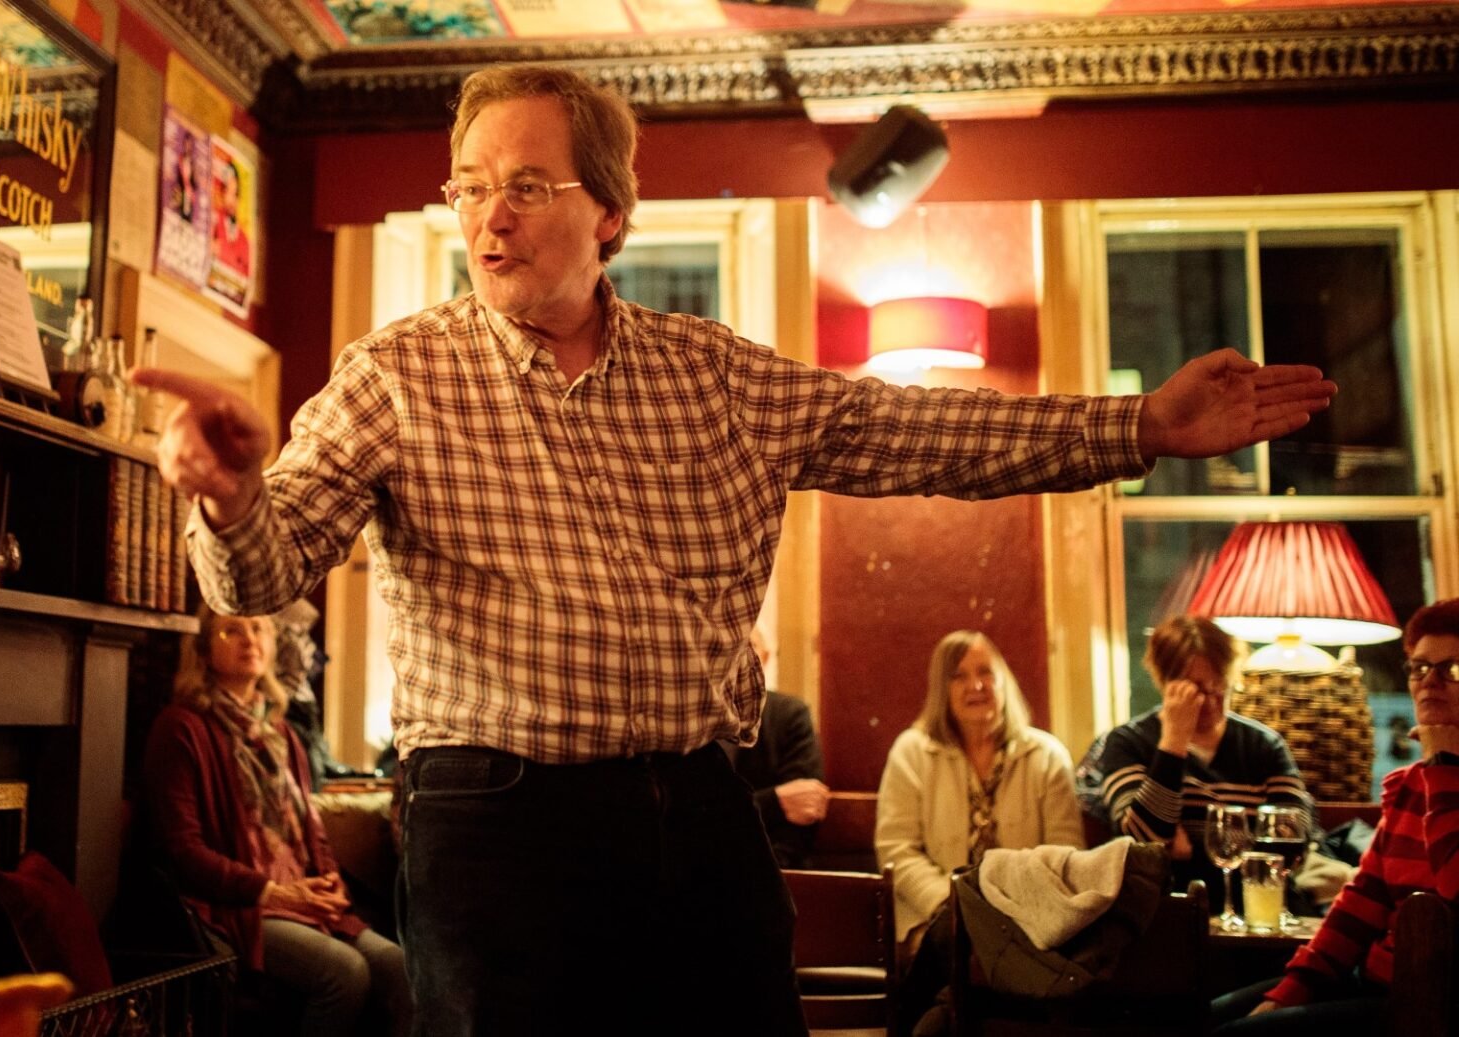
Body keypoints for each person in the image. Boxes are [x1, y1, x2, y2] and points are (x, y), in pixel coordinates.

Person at [130, 64, 1334, 1035]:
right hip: (492, 819)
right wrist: (233, 495)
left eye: (530, 184)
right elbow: (266, 569)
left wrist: (1140, 424)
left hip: (701, 807)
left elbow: (914, 432)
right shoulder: (394, 375)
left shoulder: (711, 374)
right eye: (470, 185)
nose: (488, 215)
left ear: (609, 212)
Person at [140, 607, 409, 1036]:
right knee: (346, 973)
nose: (250, 639)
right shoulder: (180, 728)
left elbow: (311, 830)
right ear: (205, 651)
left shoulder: (282, 732)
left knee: (399, 967)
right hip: (238, 904)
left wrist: (330, 879)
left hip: (298, 897)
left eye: (259, 628)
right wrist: (275, 893)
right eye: (232, 631)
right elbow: (183, 850)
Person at [1208, 597, 1459, 1034]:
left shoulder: (1434, 778)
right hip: (1372, 979)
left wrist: (1444, 768)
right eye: (1419, 668)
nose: (1428, 682)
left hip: (1430, 1005)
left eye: (1452, 669)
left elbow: (1455, 886)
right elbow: (1360, 904)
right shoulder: (1410, 786)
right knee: (1204, 1017)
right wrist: (1292, 990)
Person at [876, 630, 1085, 952]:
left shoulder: (1047, 756)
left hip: (1029, 921)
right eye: (959, 676)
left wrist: (1016, 910)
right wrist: (951, 904)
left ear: (1005, 681)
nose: (976, 686)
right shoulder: (911, 753)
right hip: (937, 918)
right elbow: (897, 850)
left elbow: (1066, 853)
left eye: (986, 672)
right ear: (941, 690)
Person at [1097, 615, 1312, 894]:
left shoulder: (1264, 745)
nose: (1212, 700)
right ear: (1165, 681)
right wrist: (1174, 741)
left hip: (1258, 900)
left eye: (1220, 684)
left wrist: (1199, 853)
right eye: (1196, 688)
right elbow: (1143, 842)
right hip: (1169, 907)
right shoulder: (1128, 742)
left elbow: (1293, 836)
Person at [725, 628, 830, 869]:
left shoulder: (789, 715)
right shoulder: (688, 727)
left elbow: (805, 810)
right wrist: (774, 801)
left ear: (765, 657)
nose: (737, 658)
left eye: (748, 647)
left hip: (775, 873)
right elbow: (684, 822)